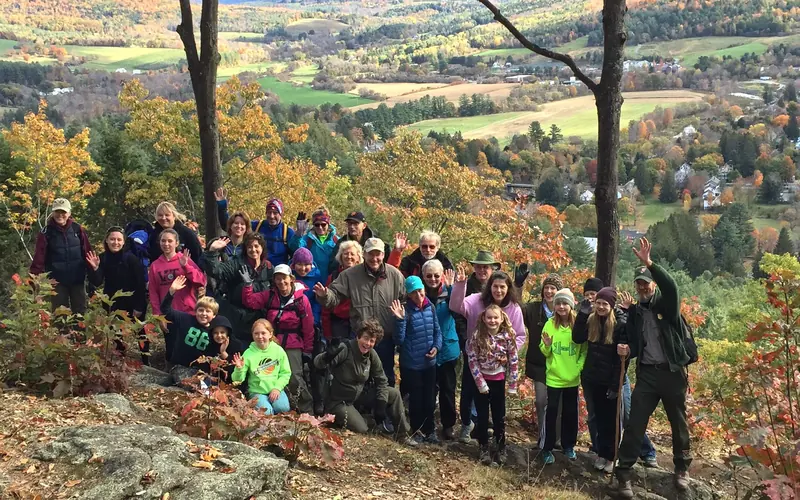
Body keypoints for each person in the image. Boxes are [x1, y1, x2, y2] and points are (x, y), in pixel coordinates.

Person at [615, 237, 693, 497]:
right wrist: (627, 349)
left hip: (672, 373)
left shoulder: (667, 306)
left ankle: (682, 468)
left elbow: (671, 287)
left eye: (646, 283)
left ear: (652, 285)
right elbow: (637, 343)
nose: (642, 287)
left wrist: (651, 263)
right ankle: (624, 472)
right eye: (639, 283)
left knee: (678, 422)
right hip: (647, 373)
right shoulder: (636, 312)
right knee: (635, 422)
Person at [313, 238, 406, 389]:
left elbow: (404, 300)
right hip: (360, 337)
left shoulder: (395, 275)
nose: (374, 258)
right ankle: (358, 410)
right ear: (364, 254)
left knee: (385, 377)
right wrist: (324, 295)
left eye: (378, 254)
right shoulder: (350, 275)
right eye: (371, 254)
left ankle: (384, 409)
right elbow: (334, 297)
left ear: (383, 254)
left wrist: (400, 318)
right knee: (357, 376)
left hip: (385, 338)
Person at [450, 262, 525, 443]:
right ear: (489, 286)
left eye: (502, 287)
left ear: (508, 289)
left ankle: (495, 438)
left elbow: (520, 336)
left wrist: (507, 355)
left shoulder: (513, 308)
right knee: (468, 393)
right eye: (495, 286)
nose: (498, 290)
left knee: (496, 404)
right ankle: (468, 426)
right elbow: (455, 306)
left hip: (498, 366)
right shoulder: (476, 300)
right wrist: (460, 285)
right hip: (475, 359)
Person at [313, 319, 417, 446]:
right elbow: (318, 364)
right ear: (358, 336)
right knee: (363, 429)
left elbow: (381, 380)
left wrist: (381, 403)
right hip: (339, 401)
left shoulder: (371, 355)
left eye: (372, 341)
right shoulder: (345, 349)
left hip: (360, 395)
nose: (367, 343)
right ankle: (360, 421)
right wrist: (327, 355)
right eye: (365, 338)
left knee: (393, 393)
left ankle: (402, 434)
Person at [241, 264, 314, 414]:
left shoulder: (301, 300)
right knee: (268, 372)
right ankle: (279, 407)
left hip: (293, 342)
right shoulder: (270, 295)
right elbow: (250, 302)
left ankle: (306, 411)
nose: (281, 282)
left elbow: (308, 327)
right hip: (272, 342)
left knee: (294, 376)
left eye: (284, 278)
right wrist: (248, 285)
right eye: (278, 279)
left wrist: (308, 349)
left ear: (291, 279)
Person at [572, 287, 631, 473]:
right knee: (597, 418)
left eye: (605, 304)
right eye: (598, 303)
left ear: (612, 306)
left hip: (610, 379)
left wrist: (616, 384)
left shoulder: (619, 324)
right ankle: (601, 453)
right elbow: (577, 338)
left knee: (611, 420)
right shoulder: (591, 320)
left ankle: (612, 456)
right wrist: (581, 315)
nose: (601, 307)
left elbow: (621, 360)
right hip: (592, 377)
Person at [453, 250, 500, 443]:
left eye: (486, 267)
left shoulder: (496, 288)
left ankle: (483, 423)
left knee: (489, 388)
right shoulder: (468, 286)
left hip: (494, 349)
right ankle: (467, 422)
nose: (482, 270)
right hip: (471, 345)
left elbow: (508, 311)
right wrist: (466, 340)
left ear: (492, 269)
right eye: (479, 266)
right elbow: (458, 311)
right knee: (469, 387)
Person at [390, 276, 442, 443]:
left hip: (429, 363)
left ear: (424, 290)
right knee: (416, 399)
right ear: (409, 295)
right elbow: (399, 340)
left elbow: (437, 331)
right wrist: (399, 320)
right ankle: (416, 429)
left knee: (430, 398)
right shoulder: (405, 311)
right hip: (411, 365)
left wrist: (437, 347)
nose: (418, 295)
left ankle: (430, 430)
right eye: (414, 292)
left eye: (420, 291)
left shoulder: (430, 307)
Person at [86, 226, 148, 362]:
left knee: (140, 332)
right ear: (106, 241)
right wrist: (95, 268)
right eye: (112, 239)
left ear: (124, 242)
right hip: (112, 302)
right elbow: (97, 282)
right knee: (116, 333)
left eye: (119, 239)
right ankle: (121, 360)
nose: (116, 242)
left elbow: (140, 284)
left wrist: (139, 306)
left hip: (133, 301)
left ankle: (145, 359)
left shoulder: (131, 259)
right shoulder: (102, 258)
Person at [467, 304, 519, 466]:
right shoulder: (477, 336)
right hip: (482, 381)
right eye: (489, 317)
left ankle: (500, 446)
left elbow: (514, 360)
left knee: (499, 416)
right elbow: (472, 360)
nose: (492, 321)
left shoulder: (507, 337)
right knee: (482, 416)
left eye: (495, 317)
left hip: (498, 380)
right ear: (484, 318)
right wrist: (480, 382)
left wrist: (513, 383)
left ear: (502, 318)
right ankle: (483, 446)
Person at [540, 288, 585, 465]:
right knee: (551, 413)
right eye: (558, 303)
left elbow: (584, 350)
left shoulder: (578, 325)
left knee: (571, 413)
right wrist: (548, 346)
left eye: (564, 303)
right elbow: (543, 350)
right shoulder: (550, 324)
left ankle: (568, 446)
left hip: (572, 378)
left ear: (571, 305)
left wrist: (578, 368)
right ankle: (547, 448)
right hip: (554, 378)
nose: (561, 306)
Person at [203, 233, 274, 341]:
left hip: (259, 320)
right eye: (249, 247)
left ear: (262, 248)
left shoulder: (268, 267)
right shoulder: (236, 264)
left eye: (256, 246)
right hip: (238, 319)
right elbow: (217, 271)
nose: (253, 250)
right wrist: (212, 251)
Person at [149, 229, 207, 359]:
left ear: (176, 243)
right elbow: (153, 293)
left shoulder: (184, 259)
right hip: (168, 314)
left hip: (188, 312)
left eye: (170, 241)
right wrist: (159, 316)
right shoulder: (155, 266)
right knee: (172, 349)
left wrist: (186, 266)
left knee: (191, 349)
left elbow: (201, 281)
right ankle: (172, 374)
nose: (166, 244)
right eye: (163, 241)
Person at [30, 198, 92, 314]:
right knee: (59, 314)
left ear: (69, 213)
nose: (60, 215)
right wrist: (34, 283)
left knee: (81, 314)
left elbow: (88, 253)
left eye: (63, 212)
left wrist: (93, 274)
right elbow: (39, 259)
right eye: (57, 212)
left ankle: (80, 332)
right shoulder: (46, 233)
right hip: (57, 282)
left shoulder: (77, 229)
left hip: (77, 280)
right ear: (53, 213)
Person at [522, 273, 563, 449]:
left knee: (558, 404)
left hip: (561, 366)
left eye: (553, 288)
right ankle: (543, 437)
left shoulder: (564, 310)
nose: (549, 291)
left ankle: (558, 440)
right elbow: (515, 308)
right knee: (541, 401)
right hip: (539, 365)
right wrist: (517, 285)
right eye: (546, 287)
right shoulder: (533, 310)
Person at [421, 261, 460, 440]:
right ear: (423, 277)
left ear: (442, 276)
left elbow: (458, 309)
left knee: (447, 389)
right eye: (429, 276)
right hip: (426, 349)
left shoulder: (449, 292)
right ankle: (426, 424)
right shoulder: (419, 295)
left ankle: (448, 425)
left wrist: (453, 287)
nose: (433, 279)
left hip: (447, 349)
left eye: (436, 275)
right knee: (427, 389)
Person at [161, 275, 218, 385]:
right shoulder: (185, 319)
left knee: (210, 387)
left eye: (208, 311)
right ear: (195, 311)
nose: (204, 314)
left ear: (214, 315)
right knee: (190, 384)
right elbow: (166, 310)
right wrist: (171, 291)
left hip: (201, 371)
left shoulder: (215, 330)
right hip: (180, 366)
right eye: (201, 310)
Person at [215, 189, 295, 266]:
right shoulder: (257, 226)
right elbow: (231, 226)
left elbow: (295, 254)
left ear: (281, 214)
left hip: (278, 275)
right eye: (269, 212)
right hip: (257, 271)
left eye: (275, 213)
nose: (271, 216)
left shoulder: (287, 232)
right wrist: (222, 208)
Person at [290, 247, 325, 415]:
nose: (303, 268)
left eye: (307, 265)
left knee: (314, 366)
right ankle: (295, 401)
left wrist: (315, 321)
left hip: (313, 325)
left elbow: (319, 302)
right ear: (293, 264)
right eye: (299, 264)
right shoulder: (288, 278)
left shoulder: (317, 278)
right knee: (296, 367)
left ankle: (318, 401)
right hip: (293, 327)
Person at [232, 319, 293, 415]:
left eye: (263, 333)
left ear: (270, 334)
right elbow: (237, 380)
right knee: (266, 413)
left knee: (283, 407)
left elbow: (285, 373)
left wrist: (277, 388)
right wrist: (239, 369)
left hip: (275, 389)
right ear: (252, 335)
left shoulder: (278, 350)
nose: (260, 337)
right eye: (256, 334)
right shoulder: (248, 353)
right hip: (257, 392)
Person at [578, 276, 607, 453]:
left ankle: (645, 450)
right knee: (594, 414)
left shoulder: (612, 314)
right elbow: (577, 337)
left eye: (593, 294)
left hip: (611, 373)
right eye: (587, 294)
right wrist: (583, 314)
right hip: (590, 372)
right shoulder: (584, 314)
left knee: (624, 414)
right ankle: (597, 448)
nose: (590, 297)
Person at [322, 241, 363, 341]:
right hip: (338, 325)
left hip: (359, 324)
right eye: (346, 253)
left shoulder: (364, 277)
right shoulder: (333, 278)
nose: (349, 257)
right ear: (340, 257)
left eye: (352, 254)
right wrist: (327, 333)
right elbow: (325, 308)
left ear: (358, 258)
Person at [328, 211, 394, 274]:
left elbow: (388, 267)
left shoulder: (376, 243)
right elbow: (332, 266)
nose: (352, 227)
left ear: (364, 225)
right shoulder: (342, 243)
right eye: (350, 223)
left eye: (356, 223)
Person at [290, 206, 339, 282]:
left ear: (328, 224)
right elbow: (295, 248)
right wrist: (298, 234)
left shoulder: (336, 241)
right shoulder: (307, 239)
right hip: (311, 281)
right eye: (317, 224)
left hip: (331, 281)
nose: (320, 227)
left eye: (323, 224)